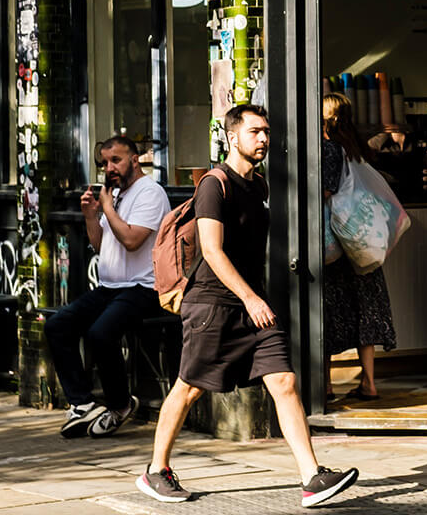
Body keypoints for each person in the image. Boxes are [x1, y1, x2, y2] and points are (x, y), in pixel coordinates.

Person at [138, 106, 358, 508]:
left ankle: (311, 477)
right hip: (213, 304)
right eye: (255, 131)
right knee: (188, 388)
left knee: (284, 382)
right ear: (231, 137)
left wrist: (254, 297)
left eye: (267, 132)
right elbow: (212, 250)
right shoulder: (214, 185)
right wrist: (251, 297)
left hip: (251, 303)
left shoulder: (258, 186)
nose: (264, 139)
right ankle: (156, 471)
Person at [47, 136, 171, 439]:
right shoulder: (115, 195)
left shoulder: (149, 193)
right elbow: (102, 243)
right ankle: (82, 403)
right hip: (110, 287)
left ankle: (119, 404)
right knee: (57, 325)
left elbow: (131, 241)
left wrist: (107, 207)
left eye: (116, 160)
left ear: (134, 159)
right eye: (104, 163)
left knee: (100, 333)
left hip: (143, 287)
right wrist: (92, 216)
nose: (109, 168)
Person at [321, 94, 397, 401]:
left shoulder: (327, 150)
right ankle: (369, 383)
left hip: (337, 244)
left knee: (327, 312)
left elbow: (326, 191)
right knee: (365, 310)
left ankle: (324, 385)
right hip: (361, 239)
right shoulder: (357, 148)